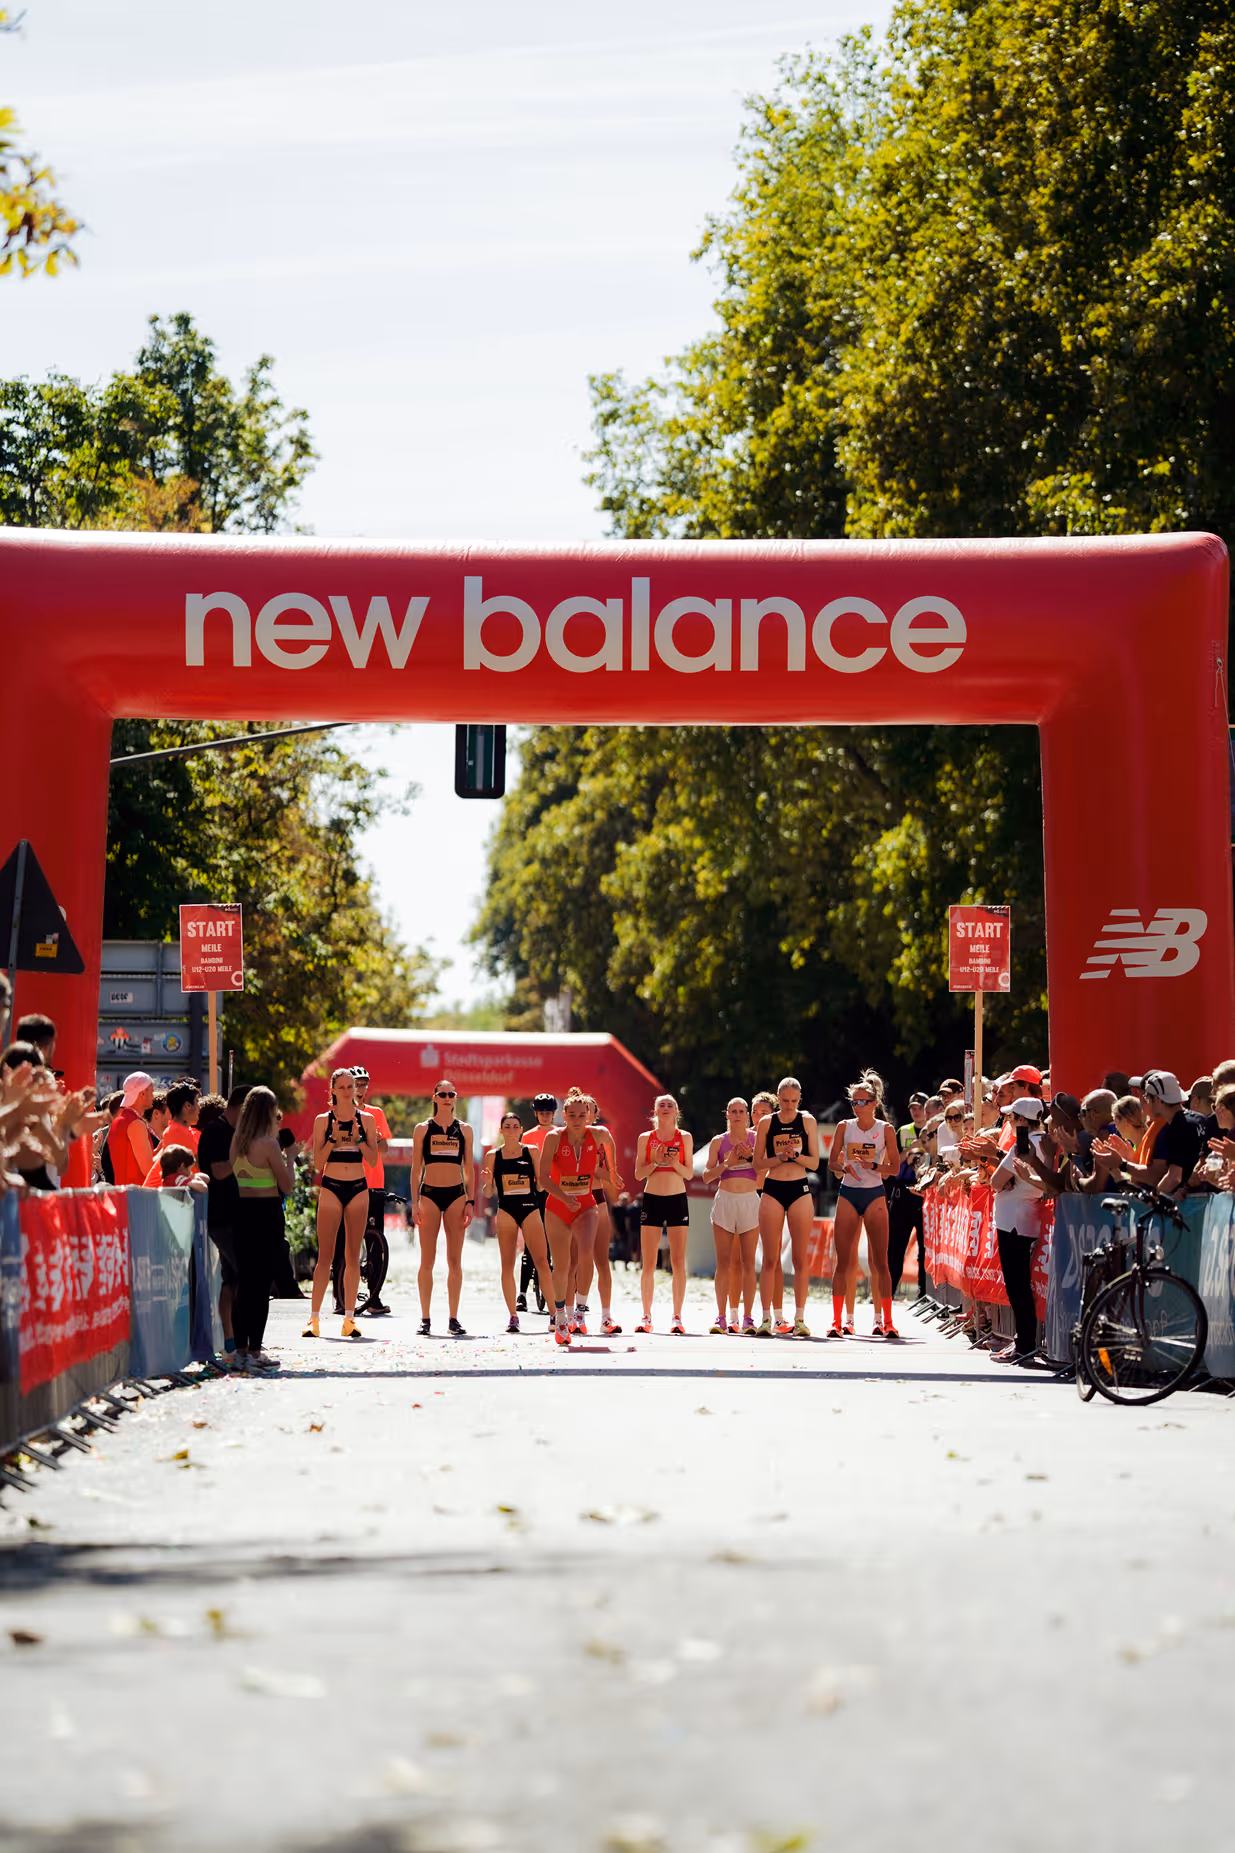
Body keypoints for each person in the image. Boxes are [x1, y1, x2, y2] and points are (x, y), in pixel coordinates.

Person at [304, 1068, 381, 1340]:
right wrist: (334, 1137)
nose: (349, 1091)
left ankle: (350, 1319)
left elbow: (372, 1160)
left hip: (358, 1187)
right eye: (343, 1087)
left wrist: (359, 1138)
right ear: (333, 1090)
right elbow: (318, 1162)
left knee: (352, 1256)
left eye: (352, 1086)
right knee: (325, 1256)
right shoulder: (323, 1120)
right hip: (332, 1186)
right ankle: (313, 1320)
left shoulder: (368, 1120)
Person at [230, 1086, 299, 1373]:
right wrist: (292, 1158)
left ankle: (241, 1351)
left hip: (242, 1213)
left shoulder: (237, 1141)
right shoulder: (269, 1145)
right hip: (267, 1215)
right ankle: (256, 1351)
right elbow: (287, 1185)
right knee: (260, 1288)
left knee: (244, 1284)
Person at [829, 1079, 900, 1337]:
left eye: (862, 1102)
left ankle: (885, 1321)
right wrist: (843, 1166)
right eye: (854, 1102)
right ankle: (841, 1321)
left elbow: (894, 1168)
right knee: (844, 1261)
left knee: (880, 1262)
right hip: (848, 1193)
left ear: (874, 1104)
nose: (857, 1106)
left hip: (874, 1195)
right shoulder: (844, 1127)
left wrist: (873, 1167)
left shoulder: (886, 1129)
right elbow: (831, 1163)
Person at [538, 1086, 607, 1346]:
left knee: (587, 1252)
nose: (578, 1119)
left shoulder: (597, 1134)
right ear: (564, 1114)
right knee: (562, 1265)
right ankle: (559, 1317)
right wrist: (564, 1197)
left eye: (582, 1115)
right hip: (557, 1206)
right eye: (573, 1115)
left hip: (586, 1204)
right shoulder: (554, 1138)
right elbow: (543, 1178)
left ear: (589, 1115)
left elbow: (609, 1148)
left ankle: (580, 1310)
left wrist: (613, 1174)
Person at [752, 1077, 820, 1338]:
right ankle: (766, 1318)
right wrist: (778, 1158)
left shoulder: (808, 1121)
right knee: (770, 1259)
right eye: (785, 1101)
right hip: (773, 1189)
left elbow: (814, 1162)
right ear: (777, 1098)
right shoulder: (768, 1123)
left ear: (799, 1099)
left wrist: (795, 1156)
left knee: (800, 1259)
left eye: (794, 1101)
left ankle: (800, 1318)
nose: (790, 1106)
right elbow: (758, 1164)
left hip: (799, 1189)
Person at [480, 1111, 556, 1333]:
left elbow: (541, 1187)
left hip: (530, 1209)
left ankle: (554, 1314)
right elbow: (488, 1193)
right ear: (501, 1130)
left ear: (521, 1130)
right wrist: (486, 1182)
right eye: (508, 1126)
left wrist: (545, 1176)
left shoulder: (532, 1151)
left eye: (516, 1126)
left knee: (542, 1261)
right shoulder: (493, 1156)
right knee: (507, 1265)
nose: (512, 1130)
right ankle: (513, 1315)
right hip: (506, 1210)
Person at [412, 1077, 475, 1336]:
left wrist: (470, 1201)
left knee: (454, 1261)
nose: (447, 1098)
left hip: (456, 1196)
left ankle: (453, 1319)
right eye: (442, 1094)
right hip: (428, 1195)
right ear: (434, 1097)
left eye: (451, 1094)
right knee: (427, 1260)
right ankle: (425, 1319)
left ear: (455, 1097)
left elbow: (468, 1168)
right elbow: (416, 1168)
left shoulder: (465, 1130)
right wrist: (414, 1201)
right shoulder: (423, 1129)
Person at [991, 1095, 1048, 1365]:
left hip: (1013, 1221)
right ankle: (1022, 1341)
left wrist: (1007, 1180)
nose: (1008, 1121)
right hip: (1028, 1218)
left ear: (1023, 1120)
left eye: (1012, 1117)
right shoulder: (1046, 1142)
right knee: (1023, 1286)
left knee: (1018, 1286)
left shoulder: (1022, 1146)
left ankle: (1024, 1343)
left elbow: (994, 1181)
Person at [196, 1087, 249, 1366]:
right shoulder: (216, 1131)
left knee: (232, 1280)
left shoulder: (229, 1130)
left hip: (232, 1215)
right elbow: (218, 1171)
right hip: (222, 1216)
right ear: (240, 1107)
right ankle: (241, 1344)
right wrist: (242, 1152)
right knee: (244, 1275)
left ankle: (231, 1342)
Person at [634, 1094, 694, 1335]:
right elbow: (639, 1174)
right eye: (661, 1105)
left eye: (670, 1105)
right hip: (653, 1199)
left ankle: (677, 1316)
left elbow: (688, 1173)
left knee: (678, 1262)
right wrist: (657, 1161)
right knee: (648, 1262)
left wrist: (674, 1162)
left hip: (677, 1199)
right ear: (655, 1112)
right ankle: (646, 1315)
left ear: (676, 1111)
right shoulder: (645, 1138)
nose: (666, 1108)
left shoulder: (685, 1137)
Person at [703, 1098, 760, 1334]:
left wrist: (749, 1158)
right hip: (725, 1200)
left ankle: (747, 1318)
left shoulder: (756, 1139)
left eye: (741, 1111)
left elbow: (764, 1170)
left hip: (749, 1201)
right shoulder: (718, 1141)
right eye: (733, 1111)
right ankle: (721, 1316)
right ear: (726, 1115)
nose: (737, 1115)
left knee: (748, 1263)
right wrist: (728, 1162)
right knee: (723, 1263)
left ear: (747, 1115)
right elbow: (707, 1176)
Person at [1103, 1069, 1205, 1197]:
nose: (1143, 1102)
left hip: (1187, 1208)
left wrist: (1122, 1164)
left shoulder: (1177, 1126)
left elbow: (1174, 1177)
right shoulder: (1198, 1119)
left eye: (1146, 1097)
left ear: (1157, 1099)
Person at [341, 1065, 392, 1316]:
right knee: (344, 1240)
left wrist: (372, 1138)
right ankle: (341, 1298)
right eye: (356, 1084)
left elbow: (384, 1150)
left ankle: (374, 1297)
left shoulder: (376, 1114)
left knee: (375, 1243)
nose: (361, 1089)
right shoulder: (338, 1113)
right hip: (346, 1181)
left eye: (364, 1084)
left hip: (373, 1183)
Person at [517, 1093, 558, 1310]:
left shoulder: (561, 1134)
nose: (545, 1116)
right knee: (530, 1244)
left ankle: (567, 1290)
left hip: (556, 1190)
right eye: (541, 1113)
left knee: (559, 1241)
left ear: (553, 1114)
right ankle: (522, 1294)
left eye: (548, 1113)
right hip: (533, 1191)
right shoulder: (528, 1136)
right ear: (536, 1113)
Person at [106, 1071, 158, 1187]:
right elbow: (148, 1169)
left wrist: (157, 1151)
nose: (153, 1097)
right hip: (137, 1196)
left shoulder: (120, 1120)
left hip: (125, 1194)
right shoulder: (135, 1123)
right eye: (152, 1092)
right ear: (142, 1093)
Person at [156, 1080, 200, 1155]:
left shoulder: (175, 1129)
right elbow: (197, 1164)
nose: (199, 1107)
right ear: (187, 1106)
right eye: (197, 1102)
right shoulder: (180, 1132)